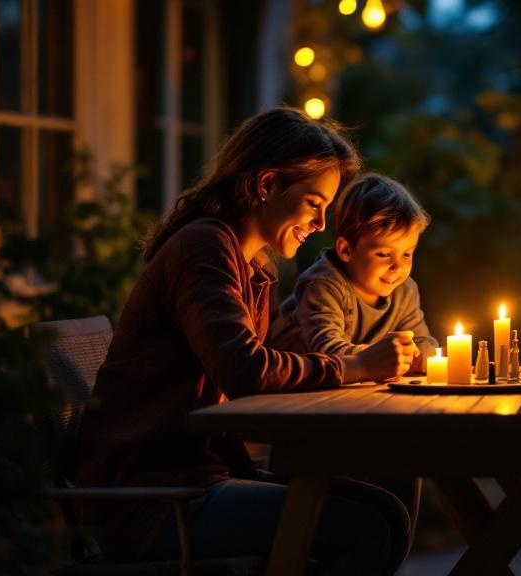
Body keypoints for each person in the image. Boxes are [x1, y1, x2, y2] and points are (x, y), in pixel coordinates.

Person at [76, 108, 419, 574]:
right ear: (266, 185)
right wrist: (357, 366)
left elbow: (257, 367)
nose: (321, 224)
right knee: (367, 527)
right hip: (154, 503)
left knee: (388, 506)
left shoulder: (251, 266)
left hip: (201, 476)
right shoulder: (203, 247)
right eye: (315, 203)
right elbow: (245, 369)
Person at [268, 172, 438, 374]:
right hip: (290, 389)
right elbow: (327, 353)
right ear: (346, 250)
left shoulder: (404, 291)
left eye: (407, 254)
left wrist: (412, 356)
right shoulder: (322, 286)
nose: (398, 267)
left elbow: (426, 346)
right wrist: (380, 358)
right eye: (384, 254)